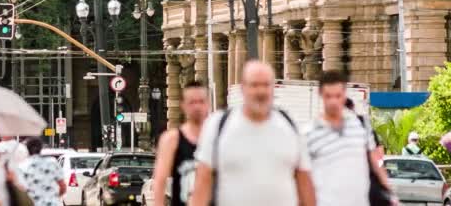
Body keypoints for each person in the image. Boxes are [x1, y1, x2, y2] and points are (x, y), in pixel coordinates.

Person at [190, 61, 315, 206]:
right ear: (243, 87)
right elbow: (202, 183)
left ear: (273, 88)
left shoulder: (290, 125)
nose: (261, 91)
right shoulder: (218, 125)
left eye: (266, 85)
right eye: (255, 85)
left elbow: (304, 181)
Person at [305, 71, 392, 206]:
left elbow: (375, 162)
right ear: (320, 95)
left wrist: (389, 192)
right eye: (328, 96)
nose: (333, 101)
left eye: (338, 96)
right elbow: (304, 177)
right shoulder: (309, 133)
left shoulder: (361, 125)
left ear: (344, 95)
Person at [152, 81, 209, 206]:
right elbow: (159, 181)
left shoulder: (219, 137)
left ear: (208, 104)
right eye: (192, 102)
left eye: (201, 101)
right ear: (183, 105)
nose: (197, 107)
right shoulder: (172, 139)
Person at [17, 137, 66, 206]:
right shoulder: (52, 162)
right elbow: (63, 186)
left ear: (27, 149)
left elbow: (21, 189)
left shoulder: (22, 166)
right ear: (41, 148)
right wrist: (55, 197)